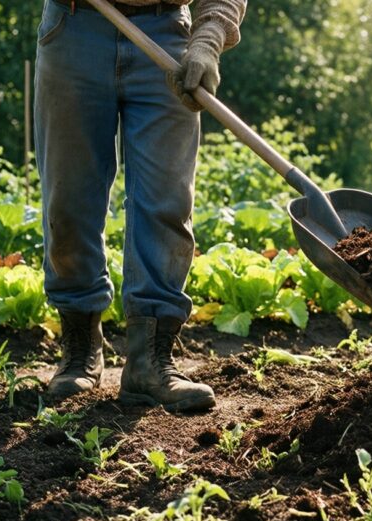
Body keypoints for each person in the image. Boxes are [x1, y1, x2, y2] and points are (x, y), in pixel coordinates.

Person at [34, 0, 247, 411]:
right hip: (75, 28)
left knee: (166, 203)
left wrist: (207, 38)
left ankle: (150, 360)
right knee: (69, 202)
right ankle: (79, 349)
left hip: (167, 35)